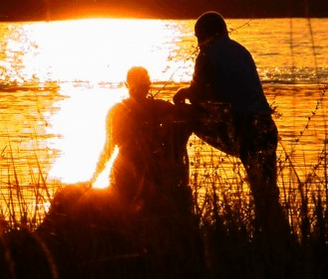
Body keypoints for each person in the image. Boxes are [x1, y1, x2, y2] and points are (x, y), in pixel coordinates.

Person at [174, 11, 290, 242]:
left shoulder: (207, 53)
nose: (198, 44)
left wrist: (182, 95)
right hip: (266, 127)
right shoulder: (241, 50)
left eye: (198, 38)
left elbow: (199, 94)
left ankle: (176, 183)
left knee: (182, 117)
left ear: (203, 36)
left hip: (244, 129)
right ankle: (279, 239)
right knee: (267, 192)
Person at [92, 67, 203, 278]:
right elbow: (190, 114)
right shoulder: (156, 108)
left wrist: (93, 179)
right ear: (145, 85)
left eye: (142, 82)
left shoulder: (123, 110)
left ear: (128, 85)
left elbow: (107, 149)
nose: (143, 86)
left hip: (134, 175)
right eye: (142, 82)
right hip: (142, 175)